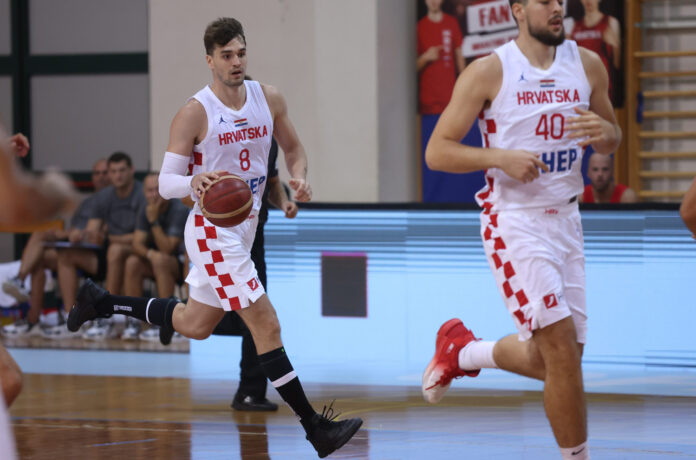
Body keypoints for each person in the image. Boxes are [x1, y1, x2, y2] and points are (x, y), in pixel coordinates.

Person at [66, 17, 362, 458]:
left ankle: (101, 301)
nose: (236, 61)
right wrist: (194, 182)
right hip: (211, 231)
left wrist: (299, 179)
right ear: (210, 60)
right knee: (266, 323)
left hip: (245, 228)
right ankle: (314, 427)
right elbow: (165, 181)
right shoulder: (195, 112)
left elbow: (295, 150)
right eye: (226, 55)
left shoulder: (269, 98)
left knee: (194, 324)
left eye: (241, 52)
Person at [421, 1, 621, 459]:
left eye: (560, 2)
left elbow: (612, 135)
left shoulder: (588, 64)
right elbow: (437, 151)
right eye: (546, 1)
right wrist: (498, 157)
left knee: (559, 360)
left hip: (568, 219)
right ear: (517, 10)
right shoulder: (490, 71)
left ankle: (462, 351)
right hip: (515, 221)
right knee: (563, 358)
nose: (558, 8)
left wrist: (605, 134)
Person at [212, 137, 298, 412]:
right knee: (254, 313)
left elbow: (272, 183)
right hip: (223, 234)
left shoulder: (270, 139)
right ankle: (250, 391)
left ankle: (251, 392)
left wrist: (284, 202)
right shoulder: (221, 132)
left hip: (254, 234)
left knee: (253, 312)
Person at [2, 159, 110, 337]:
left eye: (105, 173)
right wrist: (69, 234)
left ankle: (70, 318)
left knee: (64, 256)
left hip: (96, 255)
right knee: (40, 250)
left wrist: (80, 234)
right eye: (97, 173)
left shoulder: (112, 200)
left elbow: (98, 234)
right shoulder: (87, 202)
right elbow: (77, 229)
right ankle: (32, 320)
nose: (101, 177)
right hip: (75, 244)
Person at [57, 151, 146, 339]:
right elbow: (92, 230)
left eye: (122, 170)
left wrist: (109, 237)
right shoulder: (103, 196)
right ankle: (70, 317)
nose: (118, 175)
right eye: (113, 171)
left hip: (139, 250)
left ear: (132, 170)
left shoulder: (141, 194)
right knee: (66, 255)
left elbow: (140, 237)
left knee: (117, 251)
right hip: (108, 251)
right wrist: (82, 235)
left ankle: (111, 317)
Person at [418, 0, 485, 203]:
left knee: (461, 155)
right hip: (429, 105)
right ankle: (434, 205)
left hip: (451, 103)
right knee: (434, 160)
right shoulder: (420, 27)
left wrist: (468, 93)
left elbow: (460, 62)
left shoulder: (451, 23)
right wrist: (426, 57)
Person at [122, 172, 188, 340]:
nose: (154, 195)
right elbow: (137, 244)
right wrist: (150, 254)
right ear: (144, 193)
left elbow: (168, 248)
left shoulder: (178, 207)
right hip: (158, 261)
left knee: (161, 260)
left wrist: (154, 221)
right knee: (132, 262)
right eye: (150, 190)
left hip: (183, 264)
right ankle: (134, 321)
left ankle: (164, 320)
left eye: (158, 189)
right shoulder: (146, 208)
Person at [569, 0, 620, 103]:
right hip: (580, 82)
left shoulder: (610, 22)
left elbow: (617, 64)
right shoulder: (573, 25)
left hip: (602, 82)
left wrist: (614, 46)